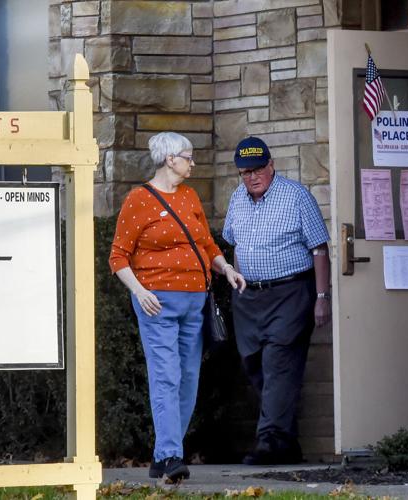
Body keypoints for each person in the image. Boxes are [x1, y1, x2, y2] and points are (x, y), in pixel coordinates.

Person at [109, 132, 246, 482]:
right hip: (157, 303)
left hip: (195, 303)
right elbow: (118, 257)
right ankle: (171, 456)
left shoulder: (189, 197)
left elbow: (205, 243)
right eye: (188, 157)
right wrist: (139, 292)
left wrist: (226, 268)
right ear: (170, 159)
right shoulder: (138, 200)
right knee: (166, 377)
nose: (193, 163)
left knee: (187, 380)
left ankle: (163, 455)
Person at [222, 136, 332, 465]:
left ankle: (269, 441)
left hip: (291, 293)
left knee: (278, 363)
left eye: (257, 170)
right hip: (249, 296)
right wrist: (238, 282)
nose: (252, 177)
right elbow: (234, 244)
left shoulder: (297, 196)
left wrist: (322, 296)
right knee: (253, 363)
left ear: (271, 165)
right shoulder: (237, 199)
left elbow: (320, 249)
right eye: (245, 172)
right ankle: (286, 442)